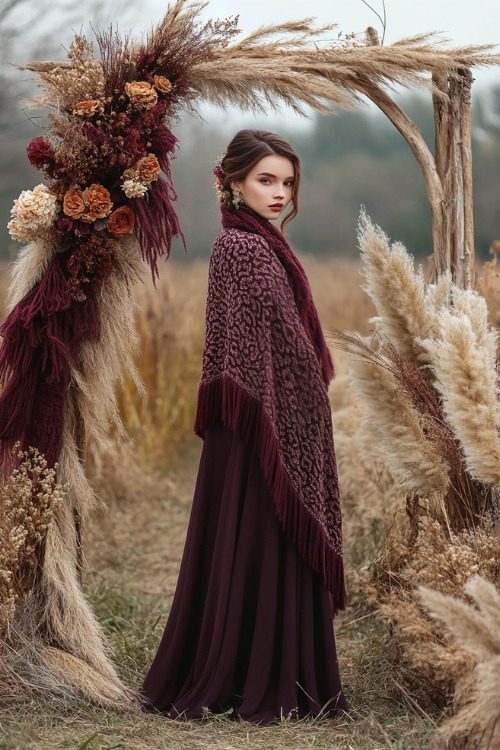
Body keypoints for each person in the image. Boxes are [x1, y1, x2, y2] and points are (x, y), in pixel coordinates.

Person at [141, 129, 347, 724]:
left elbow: (283, 340)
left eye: (287, 182)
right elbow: (276, 343)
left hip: (258, 422)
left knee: (261, 544)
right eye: (266, 180)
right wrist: (303, 397)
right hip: (258, 426)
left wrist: (302, 392)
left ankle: (263, 667)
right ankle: (253, 672)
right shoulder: (245, 250)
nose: (279, 192)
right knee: (258, 541)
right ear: (232, 181)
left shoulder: (258, 244)